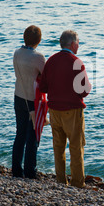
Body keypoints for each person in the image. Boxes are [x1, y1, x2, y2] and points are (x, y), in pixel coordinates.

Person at [39, 30, 91, 188]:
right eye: (78, 43)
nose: (79, 45)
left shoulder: (51, 61)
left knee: (58, 146)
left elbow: (43, 87)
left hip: (54, 109)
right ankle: (77, 182)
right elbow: (85, 91)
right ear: (73, 44)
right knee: (76, 147)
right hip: (72, 110)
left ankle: (61, 180)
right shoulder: (76, 62)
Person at [12, 25, 46, 179]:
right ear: (39, 40)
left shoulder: (17, 53)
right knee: (32, 136)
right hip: (33, 100)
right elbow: (46, 78)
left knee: (20, 134)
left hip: (18, 95)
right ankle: (30, 171)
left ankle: (16, 170)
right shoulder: (38, 57)